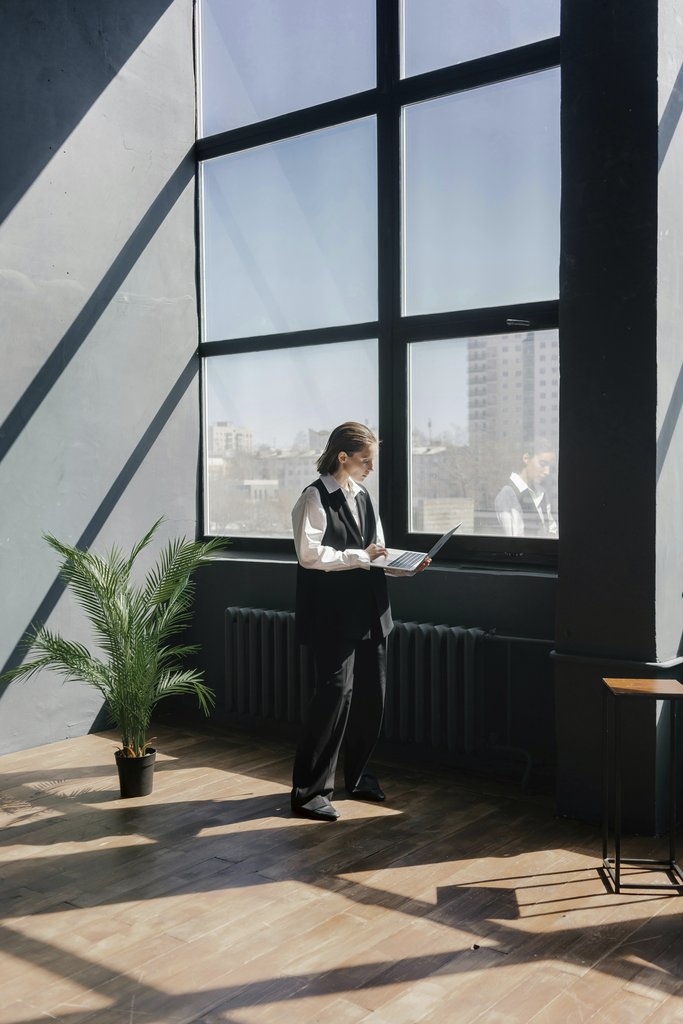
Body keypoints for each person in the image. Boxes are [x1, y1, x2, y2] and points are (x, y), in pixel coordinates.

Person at [290, 421, 428, 822]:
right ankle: (309, 791)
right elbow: (309, 555)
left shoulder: (364, 496)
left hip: (372, 611)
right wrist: (361, 556)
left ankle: (359, 776)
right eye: (366, 460)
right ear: (343, 457)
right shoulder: (313, 498)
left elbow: (376, 553)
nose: (371, 468)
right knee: (334, 697)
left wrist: (404, 566)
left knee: (372, 696)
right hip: (333, 615)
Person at [494, 439, 558, 537]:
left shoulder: (542, 493)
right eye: (543, 464)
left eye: (551, 467)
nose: (547, 472)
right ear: (526, 458)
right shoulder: (508, 493)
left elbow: (553, 530)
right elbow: (514, 540)